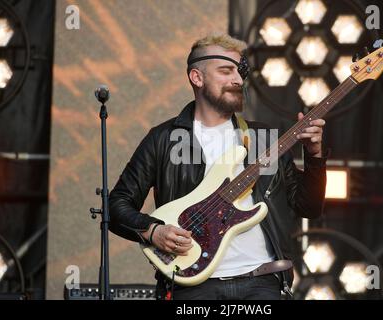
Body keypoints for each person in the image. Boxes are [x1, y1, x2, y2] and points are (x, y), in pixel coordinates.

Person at [109, 33, 327, 300]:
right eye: (226, 71)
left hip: (262, 283)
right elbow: (116, 204)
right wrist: (153, 230)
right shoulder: (163, 139)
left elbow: (309, 207)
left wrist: (314, 155)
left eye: (240, 71)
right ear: (197, 78)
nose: (238, 80)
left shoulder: (264, 140)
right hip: (192, 285)